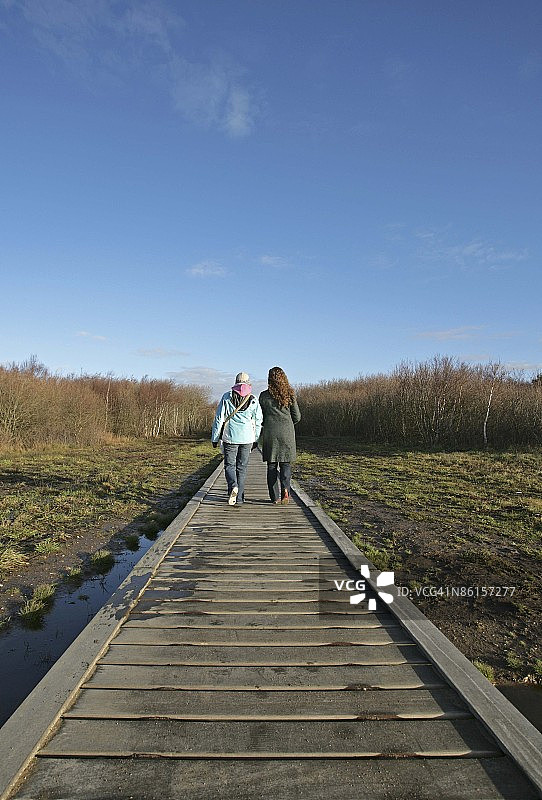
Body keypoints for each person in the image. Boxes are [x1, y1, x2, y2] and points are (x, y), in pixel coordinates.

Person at [211, 372, 263, 506]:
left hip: (230, 438)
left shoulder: (226, 397)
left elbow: (219, 419)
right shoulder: (253, 398)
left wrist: (215, 438)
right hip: (247, 438)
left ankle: (233, 486)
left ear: (235, 381)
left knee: (229, 465)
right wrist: (256, 438)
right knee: (242, 468)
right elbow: (258, 420)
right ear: (248, 382)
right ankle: (239, 498)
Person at [259, 366, 301, 504]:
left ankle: (274, 497)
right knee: (285, 465)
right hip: (286, 433)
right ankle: (286, 491)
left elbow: (260, 418)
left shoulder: (264, 396)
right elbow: (297, 417)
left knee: (271, 466)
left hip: (270, 433)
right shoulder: (290, 394)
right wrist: (288, 424)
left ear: (269, 379)